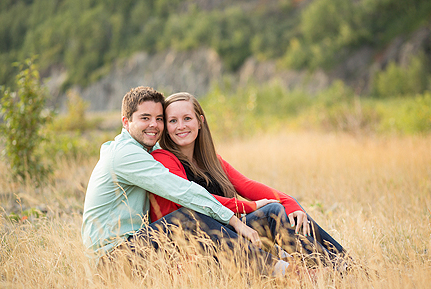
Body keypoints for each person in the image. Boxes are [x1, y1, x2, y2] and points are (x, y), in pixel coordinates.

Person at [81, 86, 282, 275]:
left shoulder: (146, 150)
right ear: (126, 122)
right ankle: (281, 271)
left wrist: (281, 204)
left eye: (159, 118)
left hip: (136, 246)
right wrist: (235, 220)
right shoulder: (126, 154)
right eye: (145, 118)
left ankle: (289, 263)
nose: (154, 125)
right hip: (111, 260)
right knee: (186, 218)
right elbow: (183, 191)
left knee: (266, 215)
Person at [149, 92, 350, 271]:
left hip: (230, 232)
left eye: (187, 118)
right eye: (173, 121)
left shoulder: (210, 159)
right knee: (273, 213)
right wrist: (248, 206)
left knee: (286, 213)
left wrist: (291, 204)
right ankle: (334, 270)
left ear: (200, 121)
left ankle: (344, 266)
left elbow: (247, 185)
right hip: (201, 243)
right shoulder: (163, 158)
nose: (181, 126)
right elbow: (196, 199)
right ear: (166, 126)